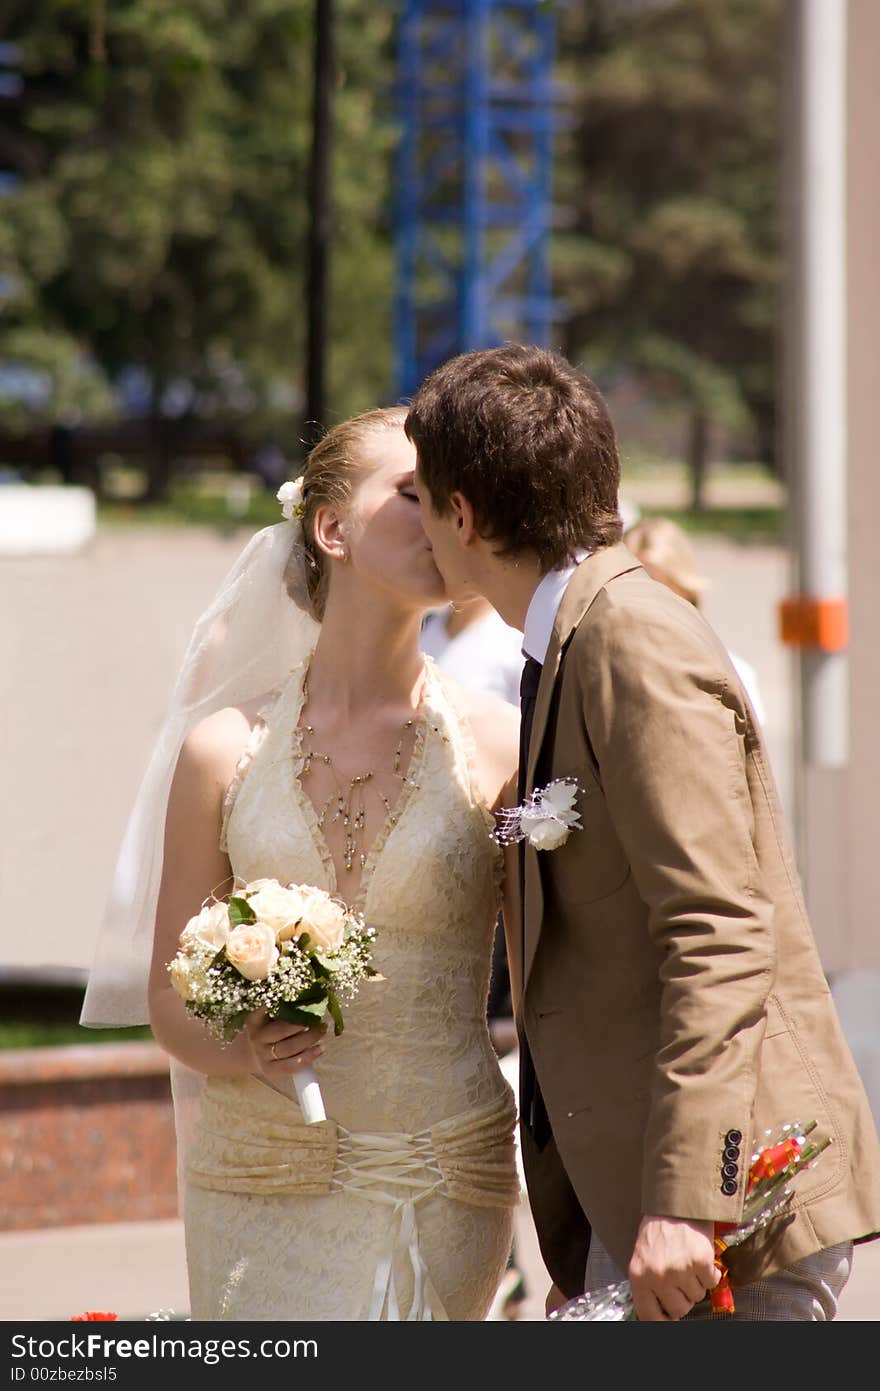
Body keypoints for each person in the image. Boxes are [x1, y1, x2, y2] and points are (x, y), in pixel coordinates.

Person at [406, 343, 880, 1322]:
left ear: (462, 515)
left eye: (421, 499)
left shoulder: (629, 637)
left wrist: (678, 1200)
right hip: (661, 1221)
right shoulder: (579, 632)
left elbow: (719, 926)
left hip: (727, 1220)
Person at [80, 405, 521, 1321]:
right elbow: (169, 999)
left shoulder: (500, 744)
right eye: (413, 493)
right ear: (332, 528)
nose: (449, 515)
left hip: (438, 1173)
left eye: (454, 496)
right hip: (256, 1177)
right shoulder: (221, 750)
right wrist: (241, 1043)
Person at [623, 515, 766, 724]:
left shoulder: (731, 674)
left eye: (662, 590)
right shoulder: (603, 672)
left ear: (687, 592)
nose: (647, 609)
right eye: (634, 590)